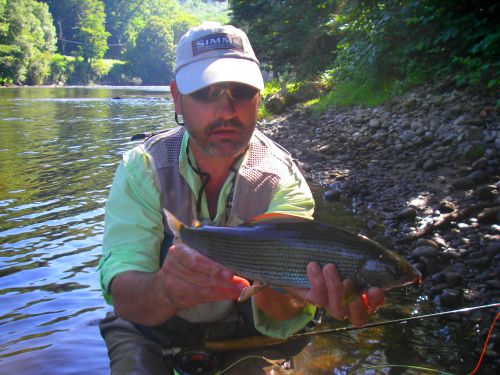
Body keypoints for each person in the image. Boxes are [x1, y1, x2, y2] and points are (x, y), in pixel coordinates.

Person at [98, 22, 384, 373]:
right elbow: (125, 294)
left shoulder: (282, 180)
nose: (227, 111)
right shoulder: (142, 167)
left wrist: (290, 293)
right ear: (176, 97)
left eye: (241, 91)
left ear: (258, 98)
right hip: (150, 333)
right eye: (205, 93)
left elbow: (280, 313)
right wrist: (166, 290)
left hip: (247, 330)